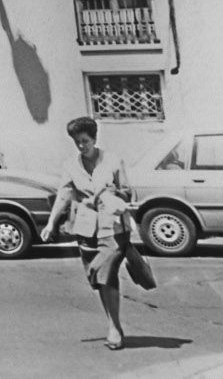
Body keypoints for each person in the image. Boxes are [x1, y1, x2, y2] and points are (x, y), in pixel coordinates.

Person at [41, 115, 134, 350]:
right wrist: (51, 223)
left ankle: (114, 328)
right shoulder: (70, 166)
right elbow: (64, 194)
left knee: (106, 274)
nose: (82, 146)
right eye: (77, 142)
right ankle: (113, 322)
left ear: (94, 138)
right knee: (97, 279)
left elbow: (128, 192)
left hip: (113, 227)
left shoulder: (113, 161)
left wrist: (110, 195)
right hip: (86, 227)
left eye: (85, 140)